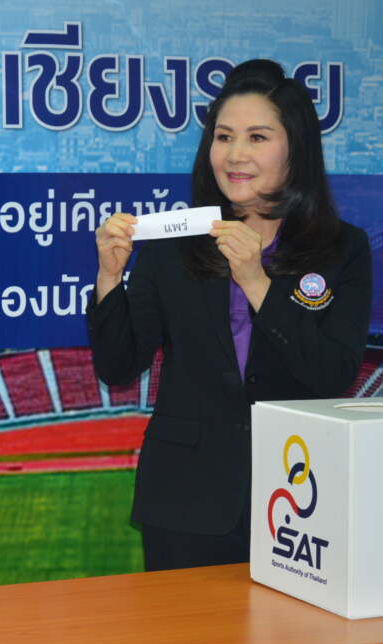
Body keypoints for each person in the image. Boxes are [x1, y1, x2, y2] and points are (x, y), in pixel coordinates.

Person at [88, 59, 371, 572]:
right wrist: (109, 278)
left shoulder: (341, 249)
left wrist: (257, 282)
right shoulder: (173, 244)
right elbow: (118, 365)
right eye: (224, 137)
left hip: (301, 500)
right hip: (184, 499)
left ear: (296, 149)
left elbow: (332, 373)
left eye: (257, 137)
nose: (236, 154)